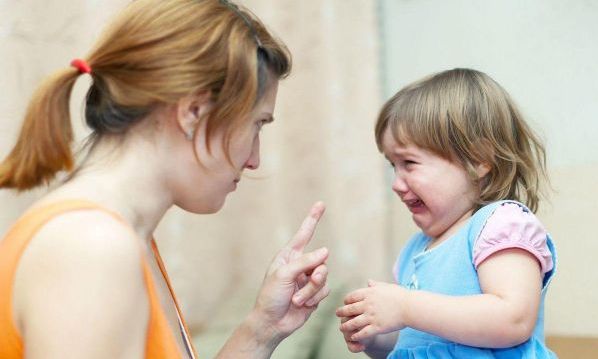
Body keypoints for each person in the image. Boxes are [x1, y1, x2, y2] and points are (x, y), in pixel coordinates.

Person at [0, 0, 330, 358]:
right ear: (193, 112)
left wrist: (263, 328)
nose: (254, 160)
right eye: (256, 125)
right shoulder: (91, 247)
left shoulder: (121, 236)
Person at [336, 68, 557, 358]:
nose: (396, 184)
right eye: (393, 165)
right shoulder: (414, 251)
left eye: (409, 163)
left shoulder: (500, 223)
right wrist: (375, 335)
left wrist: (405, 306)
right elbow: (415, 340)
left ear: (478, 160)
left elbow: (513, 319)